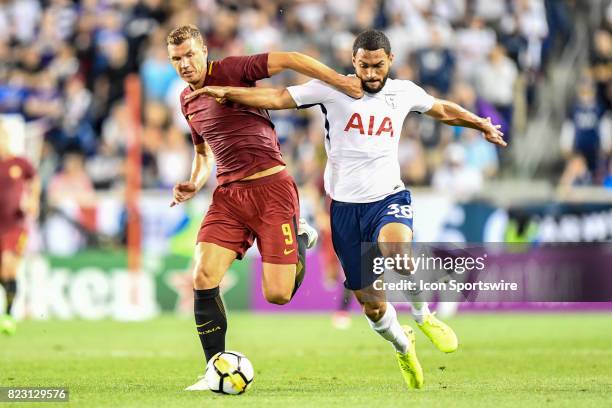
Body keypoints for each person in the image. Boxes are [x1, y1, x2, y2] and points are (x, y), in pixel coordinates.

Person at [187, 29, 506, 389]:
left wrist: (479, 124)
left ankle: (423, 315)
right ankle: (403, 345)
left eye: (378, 66)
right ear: (354, 62)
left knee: (398, 252)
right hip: (344, 209)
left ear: (391, 62)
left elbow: (443, 109)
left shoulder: (404, 92)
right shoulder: (331, 90)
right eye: (364, 66)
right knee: (372, 305)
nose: (371, 74)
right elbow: (277, 97)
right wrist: (229, 93)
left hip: (388, 198)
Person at [165, 24, 362, 391]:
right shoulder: (186, 101)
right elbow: (203, 151)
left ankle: (301, 236)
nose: (185, 64)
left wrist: (340, 81)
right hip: (228, 197)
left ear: (204, 50)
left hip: (272, 190)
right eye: (177, 59)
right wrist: (194, 180)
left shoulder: (232, 70)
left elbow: (289, 59)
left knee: (278, 294)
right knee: (203, 276)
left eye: (190, 55)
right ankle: (214, 369)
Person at [0, 121, 40, 335]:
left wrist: (34, 200)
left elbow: (35, 180)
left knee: (9, 264)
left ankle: (8, 314)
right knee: (3, 273)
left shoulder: (20, 163)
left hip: (15, 225)